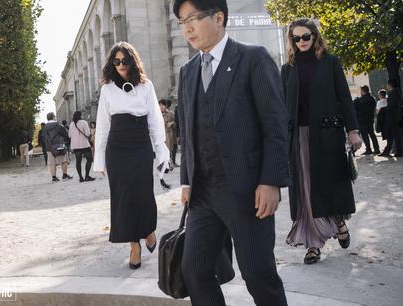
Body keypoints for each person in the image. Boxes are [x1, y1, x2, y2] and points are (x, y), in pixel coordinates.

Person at [174, 1, 289, 305]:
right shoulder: (187, 72)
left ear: (219, 17)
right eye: (181, 21)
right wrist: (186, 180)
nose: (187, 27)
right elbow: (187, 131)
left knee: (258, 276)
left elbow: (276, 126)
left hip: (248, 191)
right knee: (194, 270)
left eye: (193, 19)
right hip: (203, 194)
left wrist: (271, 181)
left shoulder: (253, 58)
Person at [281, 19, 362, 265]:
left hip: (327, 135)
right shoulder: (287, 69)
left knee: (328, 184)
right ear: (292, 41)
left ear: (315, 36)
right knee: (305, 189)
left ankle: (338, 221)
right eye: (296, 38)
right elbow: (280, 106)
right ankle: (313, 245)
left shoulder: (330, 62)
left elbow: (344, 99)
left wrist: (354, 130)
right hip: (298, 138)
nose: (302, 41)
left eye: (306, 36)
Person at [93, 41, 169, 270]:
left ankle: (148, 229)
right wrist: (100, 157)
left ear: (132, 61)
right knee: (123, 196)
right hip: (117, 148)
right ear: (111, 64)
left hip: (140, 144)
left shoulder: (146, 86)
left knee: (144, 191)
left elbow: (155, 120)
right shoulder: (107, 89)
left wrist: (161, 147)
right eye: (116, 61)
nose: (121, 65)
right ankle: (134, 244)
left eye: (125, 61)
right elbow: (103, 126)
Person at [43, 112, 73, 182]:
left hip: (49, 147)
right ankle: (64, 175)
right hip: (59, 146)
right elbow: (66, 134)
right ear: (53, 117)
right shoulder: (58, 126)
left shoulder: (45, 128)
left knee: (52, 163)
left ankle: (54, 177)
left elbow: (44, 138)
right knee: (64, 161)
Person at [69, 111, 95, 182]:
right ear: (81, 115)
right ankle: (87, 176)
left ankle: (81, 178)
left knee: (78, 161)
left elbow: (69, 135)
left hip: (76, 145)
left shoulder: (71, 124)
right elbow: (88, 133)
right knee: (89, 160)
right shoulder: (84, 122)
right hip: (84, 144)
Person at [379, 79, 403, 157]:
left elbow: (391, 105)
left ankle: (399, 152)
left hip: (393, 118)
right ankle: (388, 150)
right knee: (391, 135)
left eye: (387, 85)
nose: (387, 86)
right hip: (392, 117)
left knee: (396, 135)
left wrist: (383, 109)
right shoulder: (394, 93)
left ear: (390, 85)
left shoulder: (395, 93)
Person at [355, 85, 379, 154]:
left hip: (362, 120)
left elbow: (355, 108)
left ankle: (368, 149)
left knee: (365, 135)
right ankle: (377, 149)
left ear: (362, 91)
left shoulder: (359, 100)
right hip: (370, 119)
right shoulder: (372, 99)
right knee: (372, 134)